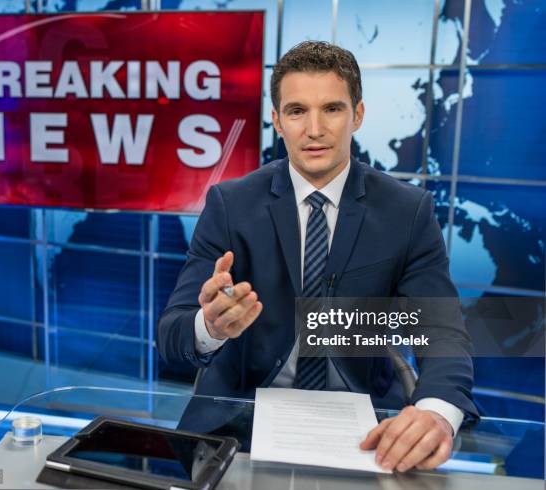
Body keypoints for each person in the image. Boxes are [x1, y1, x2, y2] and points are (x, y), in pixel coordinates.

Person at [157, 41, 477, 472]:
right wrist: (209, 326)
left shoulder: (407, 211)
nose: (314, 129)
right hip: (240, 420)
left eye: (331, 108)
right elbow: (172, 334)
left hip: (365, 424)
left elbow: (442, 331)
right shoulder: (230, 204)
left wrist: (438, 412)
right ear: (277, 120)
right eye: (296, 111)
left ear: (357, 115)